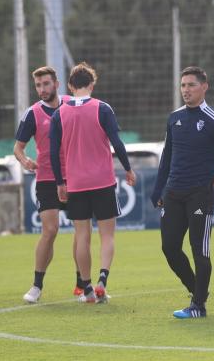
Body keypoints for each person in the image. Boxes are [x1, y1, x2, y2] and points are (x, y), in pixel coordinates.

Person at [151, 66, 214, 319]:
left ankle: (198, 305)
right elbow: (167, 157)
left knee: (200, 249)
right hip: (173, 194)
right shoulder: (174, 118)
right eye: (183, 85)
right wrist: (158, 189)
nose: (186, 90)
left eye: (191, 85)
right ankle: (197, 291)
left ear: (204, 87)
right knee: (169, 248)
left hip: (200, 195)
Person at [49, 62, 135, 304]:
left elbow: (54, 151)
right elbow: (117, 143)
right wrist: (128, 169)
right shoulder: (102, 108)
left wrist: (59, 182)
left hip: (75, 183)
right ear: (92, 84)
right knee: (107, 235)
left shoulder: (59, 113)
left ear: (69, 86)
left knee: (82, 236)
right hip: (102, 181)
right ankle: (103, 280)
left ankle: (86, 290)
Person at [14, 66, 79, 303]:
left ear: (57, 84)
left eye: (46, 84)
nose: (42, 89)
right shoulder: (32, 113)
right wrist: (24, 161)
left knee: (81, 231)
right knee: (50, 231)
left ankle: (82, 284)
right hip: (47, 179)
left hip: (76, 177)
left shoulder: (73, 104)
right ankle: (37, 285)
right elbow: (17, 148)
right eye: (38, 85)